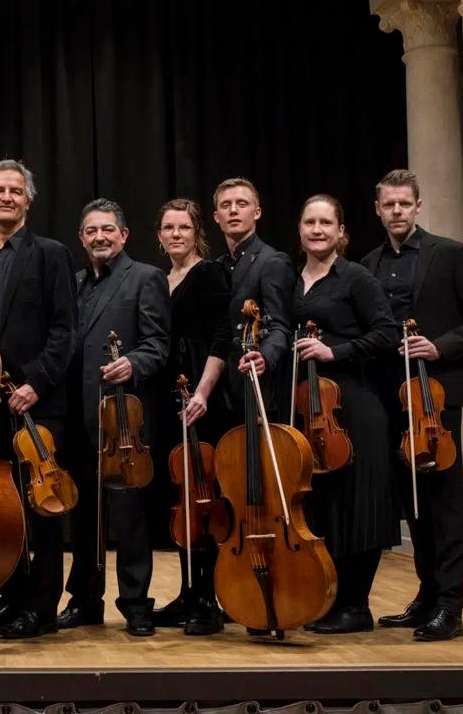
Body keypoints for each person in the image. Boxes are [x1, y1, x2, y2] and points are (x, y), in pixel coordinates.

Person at [362, 169, 463, 642]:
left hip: (436, 397)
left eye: (405, 203)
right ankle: (425, 595)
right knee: (411, 502)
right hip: (391, 397)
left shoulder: (451, 254)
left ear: (418, 206)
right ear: (377, 209)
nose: (397, 211)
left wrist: (438, 346)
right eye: (388, 205)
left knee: (443, 500)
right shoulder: (369, 264)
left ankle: (450, 604)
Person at [0, 159, 77, 639]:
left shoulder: (51, 254)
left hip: (37, 404)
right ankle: (10, 599)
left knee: (41, 509)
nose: (7, 197)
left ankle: (42, 609)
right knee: (3, 510)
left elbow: (66, 330)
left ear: (28, 200)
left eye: (15, 190)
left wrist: (34, 383)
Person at [57, 199, 170, 637]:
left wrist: (134, 363)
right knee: (82, 518)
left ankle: (137, 604)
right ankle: (85, 601)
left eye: (107, 229)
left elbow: (158, 343)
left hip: (122, 422)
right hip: (79, 419)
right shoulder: (76, 282)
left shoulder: (146, 277)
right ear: (82, 239)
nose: (99, 237)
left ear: (124, 235)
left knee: (129, 516)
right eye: (90, 231)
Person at [289, 194, 400, 634]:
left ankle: (356, 606)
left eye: (326, 223)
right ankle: (327, 598)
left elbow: (386, 332)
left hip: (352, 404)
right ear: (300, 230)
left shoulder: (355, 277)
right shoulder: (289, 280)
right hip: (307, 406)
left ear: (340, 231)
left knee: (358, 506)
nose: (317, 230)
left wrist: (335, 350)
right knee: (322, 506)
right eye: (310, 222)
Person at [149, 198, 232, 636]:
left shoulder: (210, 273)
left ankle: (208, 601)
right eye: (168, 228)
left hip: (201, 394)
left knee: (204, 496)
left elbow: (223, 336)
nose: (175, 234)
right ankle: (187, 591)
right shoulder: (159, 278)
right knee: (180, 494)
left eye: (183, 227)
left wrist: (202, 391)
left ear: (197, 231)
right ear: (159, 235)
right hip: (168, 393)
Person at [213, 178, 295, 418]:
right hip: (224, 388)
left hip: (259, 385)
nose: (234, 210)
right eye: (225, 205)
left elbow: (280, 325)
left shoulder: (273, 261)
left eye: (241, 203)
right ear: (217, 216)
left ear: (257, 212)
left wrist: (265, 358)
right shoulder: (215, 268)